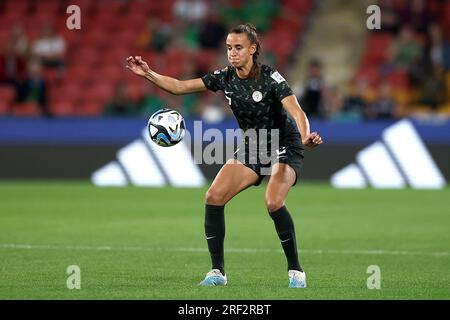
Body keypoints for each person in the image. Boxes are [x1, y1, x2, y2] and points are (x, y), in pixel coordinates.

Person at [126, 23, 323, 288]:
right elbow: (179, 87)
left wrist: (304, 136)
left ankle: (296, 272)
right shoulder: (224, 77)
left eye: (238, 47)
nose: (232, 53)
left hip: (284, 143)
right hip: (254, 145)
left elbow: (296, 111)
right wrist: (148, 73)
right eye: (229, 47)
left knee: (273, 202)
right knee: (213, 196)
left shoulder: (270, 77)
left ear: (253, 49)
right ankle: (217, 273)